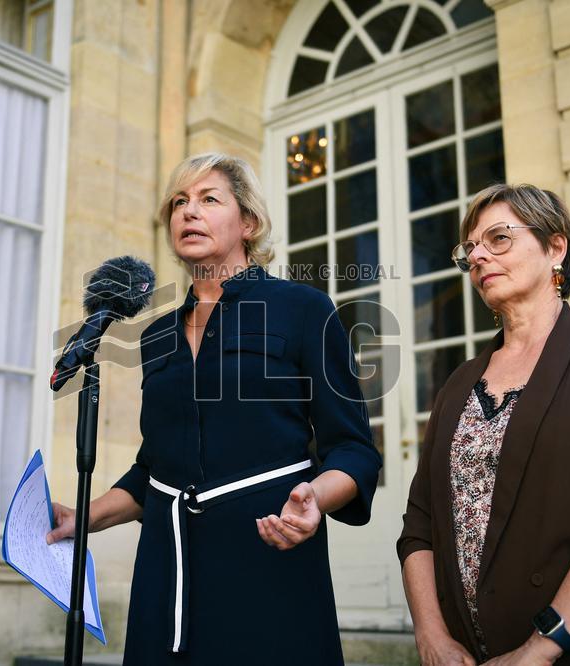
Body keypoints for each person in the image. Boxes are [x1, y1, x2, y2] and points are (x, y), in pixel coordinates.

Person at [47, 152, 382, 665]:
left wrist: (314, 498)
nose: (188, 211)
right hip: (168, 572)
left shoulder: (303, 310)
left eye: (208, 199)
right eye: (179, 202)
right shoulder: (156, 336)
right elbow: (154, 468)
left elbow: (354, 450)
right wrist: (85, 518)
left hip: (268, 561)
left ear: (248, 222)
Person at [397, 183, 570, 665]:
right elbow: (419, 524)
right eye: (469, 248)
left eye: (499, 239)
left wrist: (539, 649)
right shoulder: (459, 384)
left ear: (556, 247)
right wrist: (431, 634)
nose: (478, 257)